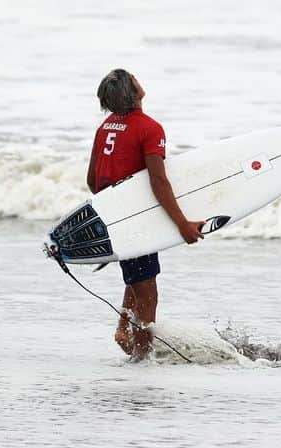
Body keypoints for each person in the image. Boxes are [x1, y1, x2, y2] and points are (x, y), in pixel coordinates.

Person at [86, 69, 204, 359]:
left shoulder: (105, 128)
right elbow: (158, 182)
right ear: (134, 90)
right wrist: (182, 224)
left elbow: (92, 179)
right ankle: (141, 356)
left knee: (137, 278)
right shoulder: (149, 128)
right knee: (147, 289)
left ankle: (123, 328)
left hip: (116, 216)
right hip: (136, 219)